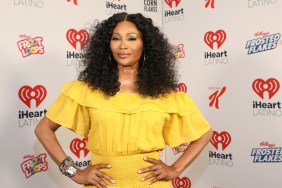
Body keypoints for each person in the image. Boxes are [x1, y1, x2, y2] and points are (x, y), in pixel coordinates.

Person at [35, 12, 213, 188]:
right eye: (116, 38)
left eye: (132, 38)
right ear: (108, 45)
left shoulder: (165, 95)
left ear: (146, 45)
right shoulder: (86, 90)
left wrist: (175, 169)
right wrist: (74, 172)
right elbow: (43, 129)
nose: (123, 45)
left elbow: (204, 134)